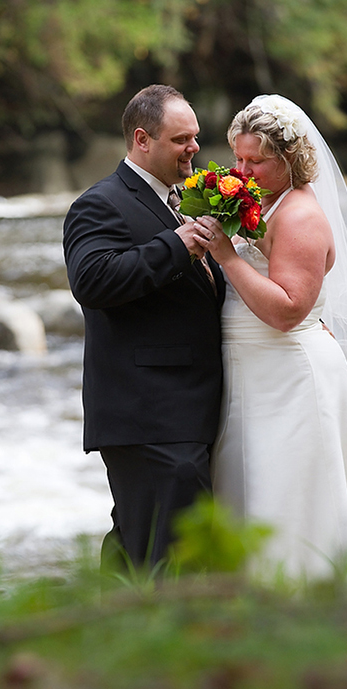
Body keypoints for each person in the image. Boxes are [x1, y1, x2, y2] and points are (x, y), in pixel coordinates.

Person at [199, 94, 347, 593]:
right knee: (248, 496)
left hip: (290, 378)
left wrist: (225, 255)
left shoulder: (300, 216)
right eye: (238, 157)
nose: (242, 169)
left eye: (255, 160)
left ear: (289, 159)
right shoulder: (262, 201)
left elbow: (285, 311)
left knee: (289, 502)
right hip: (252, 375)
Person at [63, 84, 226, 573]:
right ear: (142, 139)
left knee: (137, 545)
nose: (194, 149)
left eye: (195, 138)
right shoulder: (100, 204)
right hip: (147, 413)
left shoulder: (185, 199)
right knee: (169, 558)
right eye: (181, 140)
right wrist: (175, 245)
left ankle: (110, 641)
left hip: (185, 409)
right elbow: (91, 281)